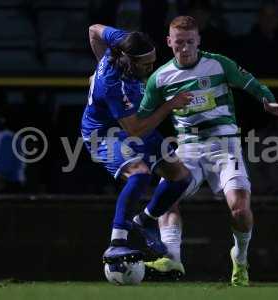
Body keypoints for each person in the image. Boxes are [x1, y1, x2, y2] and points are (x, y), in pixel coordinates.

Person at [138, 16, 278, 286]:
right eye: (179, 43)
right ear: (169, 42)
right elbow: (142, 118)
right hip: (188, 146)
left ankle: (240, 258)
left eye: (189, 42)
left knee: (240, 211)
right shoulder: (159, 78)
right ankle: (172, 259)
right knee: (166, 197)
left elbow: (251, 83)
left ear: (198, 40)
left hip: (224, 144)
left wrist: (268, 101)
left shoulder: (218, 63)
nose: (184, 48)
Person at [81, 24, 195, 264]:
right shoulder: (113, 84)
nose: (151, 67)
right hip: (104, 133)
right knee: (139, 174)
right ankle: (117, 243)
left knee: (182, 177)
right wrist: (169, 105)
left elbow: (93, 30)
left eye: (153, 61)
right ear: (129, 61)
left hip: (132, 124)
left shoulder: (124, 40)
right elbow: (134, 130)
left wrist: (98, 61)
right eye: (146, 64)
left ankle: (143, 220)